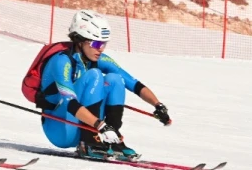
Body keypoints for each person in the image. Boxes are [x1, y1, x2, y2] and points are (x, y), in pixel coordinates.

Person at [37, 9, 171, 159]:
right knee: (95, 76)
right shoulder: (61, 61)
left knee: (115, 79)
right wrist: (100, 126)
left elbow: (133, 83)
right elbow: (69, 102)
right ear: (81, 41)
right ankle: (89, 141)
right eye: (96, 43)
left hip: (89, 126)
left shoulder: (98, 58)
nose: (101, 49)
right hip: (60, 128)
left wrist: (158, 105)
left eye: (103, 43)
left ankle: (113, 140)